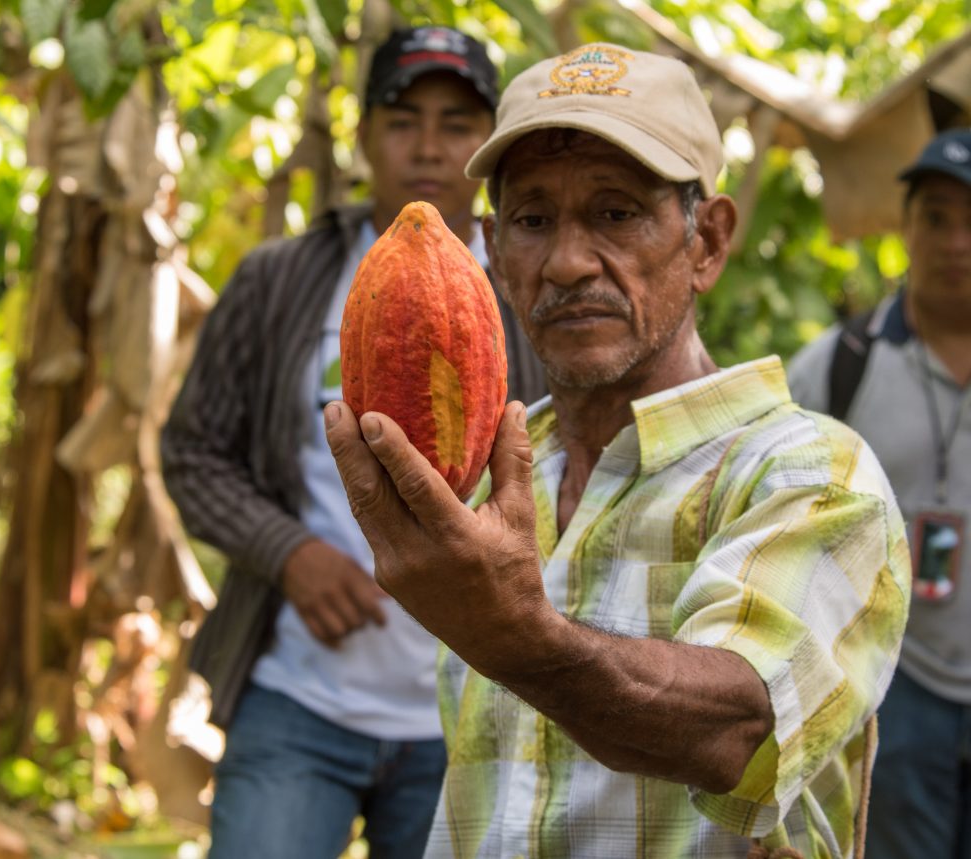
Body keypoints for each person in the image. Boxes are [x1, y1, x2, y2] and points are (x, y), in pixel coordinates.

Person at [323, 43, 911, 858]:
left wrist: (517, 638)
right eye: (532, 220)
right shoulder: (501, 476)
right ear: (493, 249)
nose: (567, 261)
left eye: (616, 212)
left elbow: (739, 730)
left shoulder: (812, 475)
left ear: (706, 240)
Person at [160, 26, 547, 859]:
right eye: (403, 120)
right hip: (299, 697)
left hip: (466, 712)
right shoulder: (280, 280)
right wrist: (288, 551)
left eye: (457, 123)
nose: (429, 148)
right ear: (364, 135)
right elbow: (191, 452)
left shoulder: (532, 291)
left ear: (487, 145)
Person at [788, 127, 971, 858]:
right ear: (905, 229)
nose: (957, 242)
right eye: (936, 217)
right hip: (888, 687)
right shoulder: (839, 365)